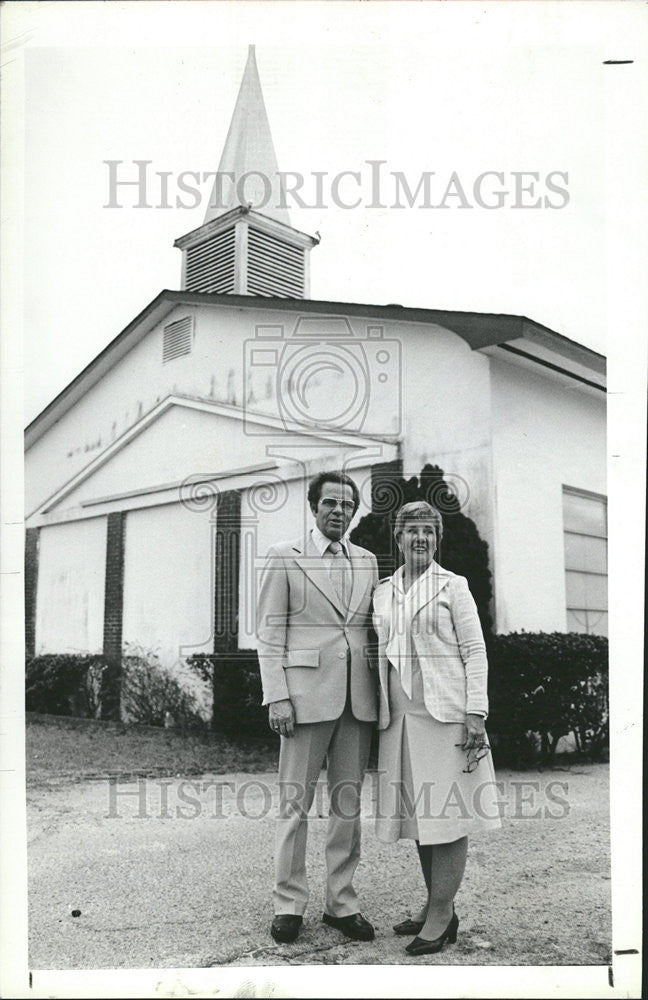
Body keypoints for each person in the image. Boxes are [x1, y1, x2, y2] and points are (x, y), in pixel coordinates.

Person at [372, 500, 501, 956]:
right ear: (399, 538)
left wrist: (476, 713)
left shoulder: (454, 586)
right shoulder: (384, 590)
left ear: (437, 538)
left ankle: (443, 914)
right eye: (412, 531)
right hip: (400, 719)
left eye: (428, 531)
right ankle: (435, 906)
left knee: (449, 815)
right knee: (422, 817)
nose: (420, 538)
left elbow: (475, 651)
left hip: (445, 715)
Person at [257, 470, 379, 944]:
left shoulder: (367, 561)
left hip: (357, 698)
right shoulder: (284, 557)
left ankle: (341, 903)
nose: (339, 512)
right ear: (314, 507)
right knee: (295, 805)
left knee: (346, 808)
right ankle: (288, 903)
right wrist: (277, 695)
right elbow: (269, 634)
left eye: (347, 506)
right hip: (304, 698)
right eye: (330, 503)